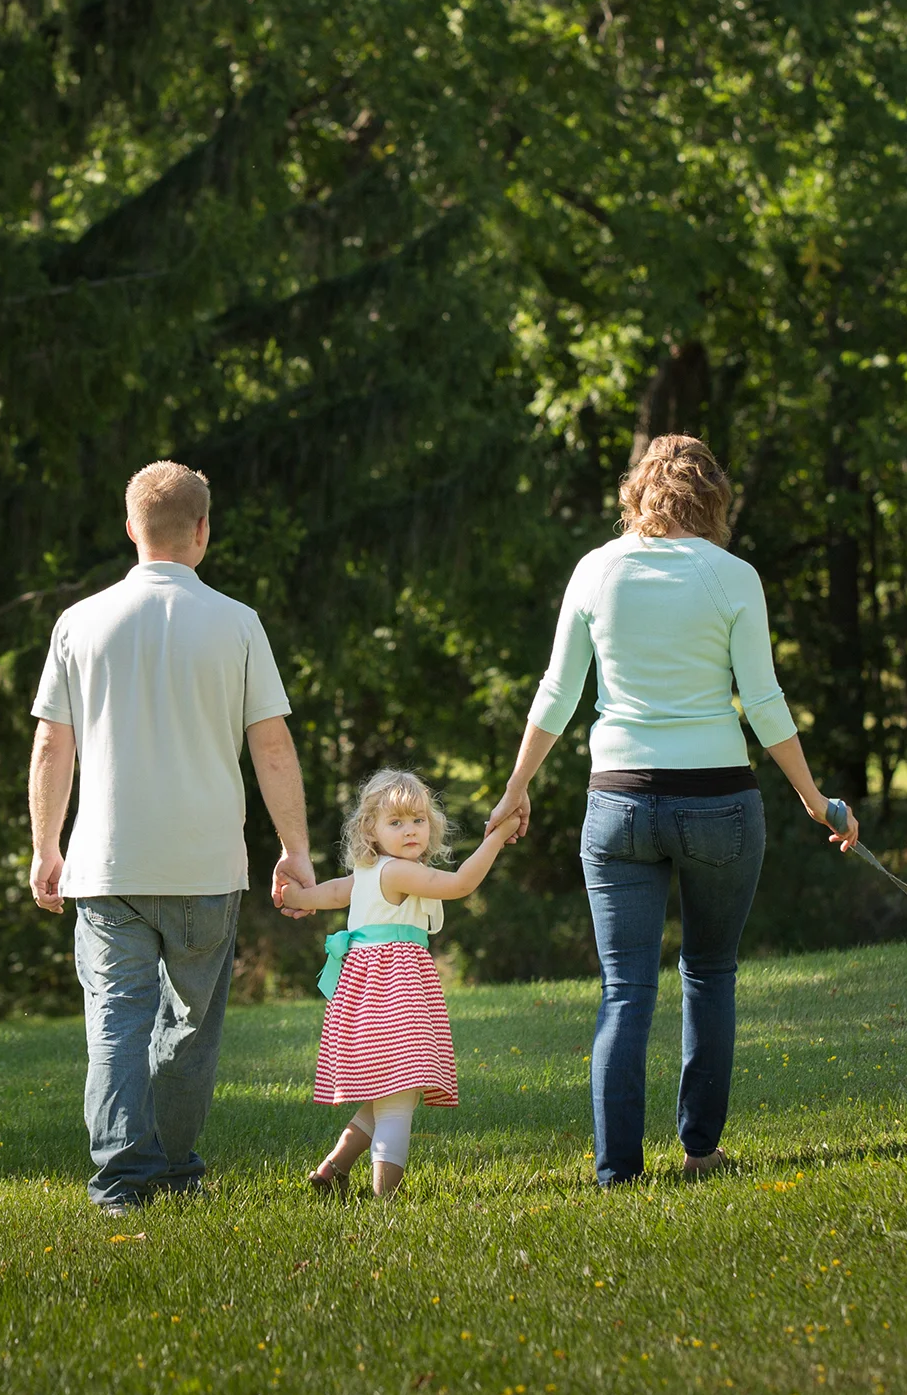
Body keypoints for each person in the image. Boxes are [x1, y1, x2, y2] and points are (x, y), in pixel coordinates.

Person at [488, 435, 858, 1187]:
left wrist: (515, 786)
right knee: (710, 973)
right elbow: (760, 699)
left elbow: (558, 692)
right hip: (719, 804)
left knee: (625, 990)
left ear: (636, 493)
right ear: (714, 498)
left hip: (618, 802)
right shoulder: (732, 576)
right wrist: (814, 800)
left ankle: (616, 1172)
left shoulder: (594, 569)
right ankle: (699, 1150)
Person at [27, 462, 316, 1212]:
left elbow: (52, 747)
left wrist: (45, 846)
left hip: (107, 865)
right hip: (205, 866)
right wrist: (295, 850)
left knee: (115, 1025)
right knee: (190, 1028)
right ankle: (177, 1170)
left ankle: (122, 1181)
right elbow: (272, 746)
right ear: (202, 531)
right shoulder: (237, 622)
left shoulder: (79, 622)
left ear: (130, 528)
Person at [283, 770, 521, 1200]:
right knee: (397, 1102)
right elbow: (461, 883)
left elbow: (334, 893)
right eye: (396, 822)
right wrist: (496, 838)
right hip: (395, 998)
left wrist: (297, 898)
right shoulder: (398, 872)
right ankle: (384, 1202)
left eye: (418, 820)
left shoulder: (366, 874)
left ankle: (333, 1169)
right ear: (370, 830)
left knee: (384, 1095)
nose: (410, 830)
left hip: (361, 1002)